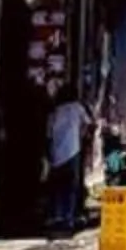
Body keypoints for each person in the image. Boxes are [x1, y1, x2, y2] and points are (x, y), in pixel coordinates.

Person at [43, 89, 86, 236]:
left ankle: (57, 215)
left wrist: (48, 154)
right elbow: (87, 124)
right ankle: (68, 217)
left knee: (57, 187)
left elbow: (48, 136)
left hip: (57, 154)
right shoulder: (77, 108)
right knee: (71, 187)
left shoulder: (53, 113)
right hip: (73, 151)